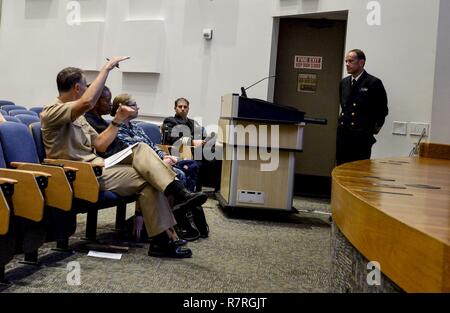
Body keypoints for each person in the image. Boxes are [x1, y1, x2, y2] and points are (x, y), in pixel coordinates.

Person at [40, 57, 208, 258]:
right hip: (78, 175)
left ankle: (161, 240)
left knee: (146, 169)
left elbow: (100, 144)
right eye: (86, 86)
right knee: (146, 165)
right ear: (77, 88)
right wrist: (107, 68)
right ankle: (177, 194)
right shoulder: (51, 112)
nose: (88, 90)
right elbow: (88, 102)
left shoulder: (80, 117)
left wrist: (118, 120)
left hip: (100, 167)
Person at [336, 49, 388, 165]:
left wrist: (373, 129)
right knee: (341, 168)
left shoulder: (373, 83)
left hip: (361, 136)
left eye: (350, 61)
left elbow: (382, 110)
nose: (347, 64)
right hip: (343, 134)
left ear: (361, 62)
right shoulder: (344, 83)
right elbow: (344, 107)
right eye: (346, 61)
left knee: (358, 169)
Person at [162, 97, 220, 191]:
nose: (183, 109)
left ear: (188, 108)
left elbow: (202, 137)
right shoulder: (170, 121)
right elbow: (173, 139)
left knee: (218, 154)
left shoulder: (193, 123)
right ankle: (194, 190)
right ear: (175, 108)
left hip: (198, 151)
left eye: (185, 107)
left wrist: (207, 140)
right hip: (180, 151)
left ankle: (218, 191)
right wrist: (192, 141)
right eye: (180, 106)